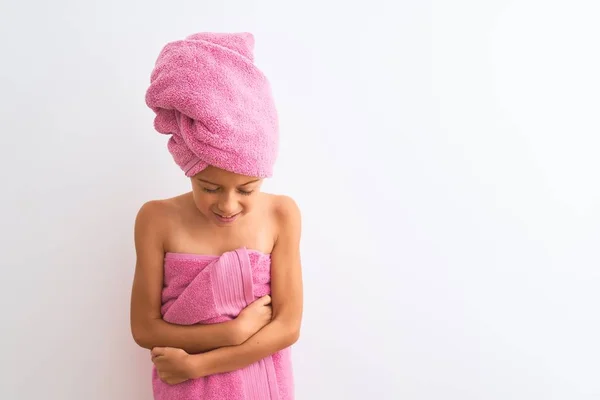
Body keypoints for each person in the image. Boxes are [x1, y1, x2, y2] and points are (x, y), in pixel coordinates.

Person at [129, 32, 303, 400]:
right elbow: (145, 328)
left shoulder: (281, 214)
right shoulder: (156, 219)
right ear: (188, 168)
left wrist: (199, 364)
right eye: (209, 187)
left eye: (246, 189)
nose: (227, 205)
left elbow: (287, 326)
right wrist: (230, 333)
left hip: (256, 386)